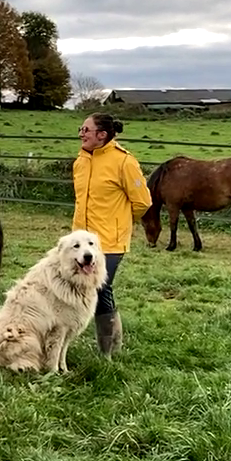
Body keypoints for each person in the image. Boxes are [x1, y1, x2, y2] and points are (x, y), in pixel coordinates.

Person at [71, 113, 152, 357]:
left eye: (86, 130)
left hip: (109, 242)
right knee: (80, 287)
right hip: (81, 241)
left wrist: (120, 224)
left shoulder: (124, 162)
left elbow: (143, 201)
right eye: (81, 129)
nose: (81, 134)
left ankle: (109, 350)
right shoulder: (80, 161)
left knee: (100, 288)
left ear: (102, 135)